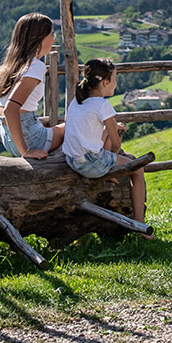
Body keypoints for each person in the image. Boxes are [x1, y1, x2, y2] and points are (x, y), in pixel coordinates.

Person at [63, 58, 152, 237]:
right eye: (115, 79)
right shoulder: (103, 105)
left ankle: (107, 169)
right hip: (90, 164)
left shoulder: (77, 101)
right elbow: (116, 144)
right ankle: (140, 223)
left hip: (71, 159)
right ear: (105, 82)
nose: (116, 83)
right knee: (138, 169)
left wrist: (111, 128)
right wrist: (113, 165)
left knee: (109, 147)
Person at [0, 13, 65, 159]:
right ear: (39, 38)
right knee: (78, 126)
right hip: (30, 141)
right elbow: (10, 109)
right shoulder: (35, 66)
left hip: (10, 139)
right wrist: (25, 151)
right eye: (51, 34)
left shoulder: (14, 65)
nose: (53, 39)